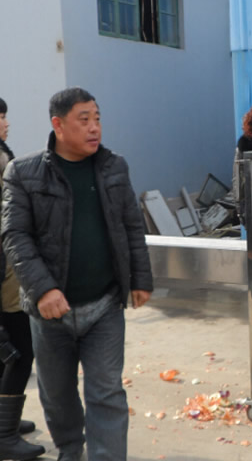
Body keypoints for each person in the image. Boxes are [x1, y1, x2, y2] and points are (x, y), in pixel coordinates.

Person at [1, 87, 153, 461]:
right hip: (50, 311)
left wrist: (140, 278)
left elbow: (131, 225)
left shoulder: (114, 166)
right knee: (57, 395)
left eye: (97, 118)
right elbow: (14, 235)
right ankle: (71, 451)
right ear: (59, 124)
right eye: (83, 119)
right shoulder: (23, 171)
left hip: (103, 305)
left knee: (107, 392)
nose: (94, 128)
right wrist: (43, 289)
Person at [0, 98, 45, 460]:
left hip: (7, 271)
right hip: (4, 275)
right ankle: (4, 434)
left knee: (8, 351)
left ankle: (6, 422)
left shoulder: (3, 153)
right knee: (19, 349)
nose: (5, 123)